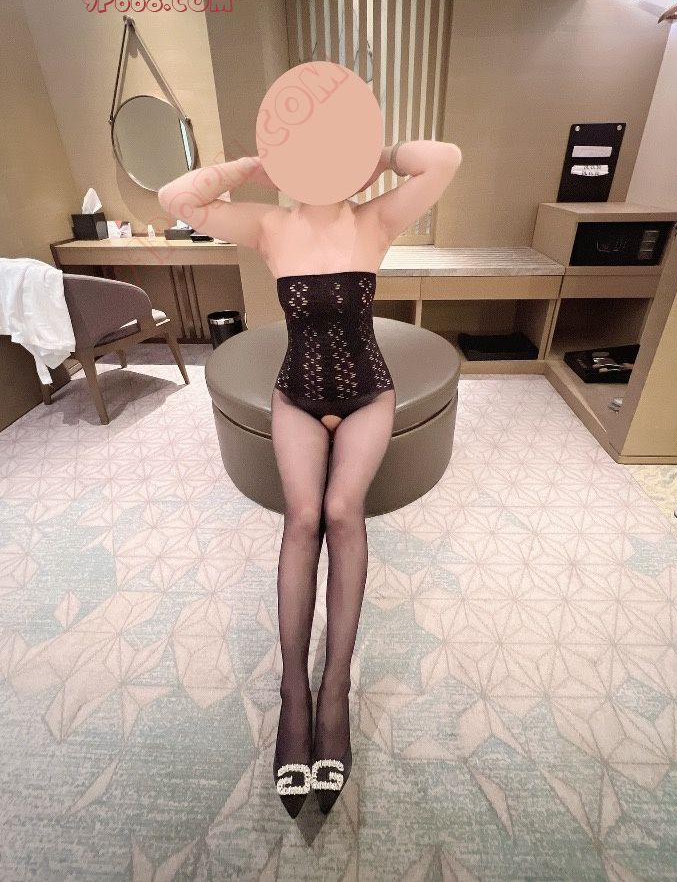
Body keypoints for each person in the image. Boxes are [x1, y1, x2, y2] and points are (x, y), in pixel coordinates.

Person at [158, 137, 462, 817]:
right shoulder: (270, 224)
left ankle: (335, 695)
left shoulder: (375, 218)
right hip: (295, 392)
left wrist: (373, 153)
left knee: (343, 512)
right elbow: (177, 199)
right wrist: (257, 167)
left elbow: (444, 158)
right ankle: (293, 692)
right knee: (302, 518)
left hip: (368, 392)